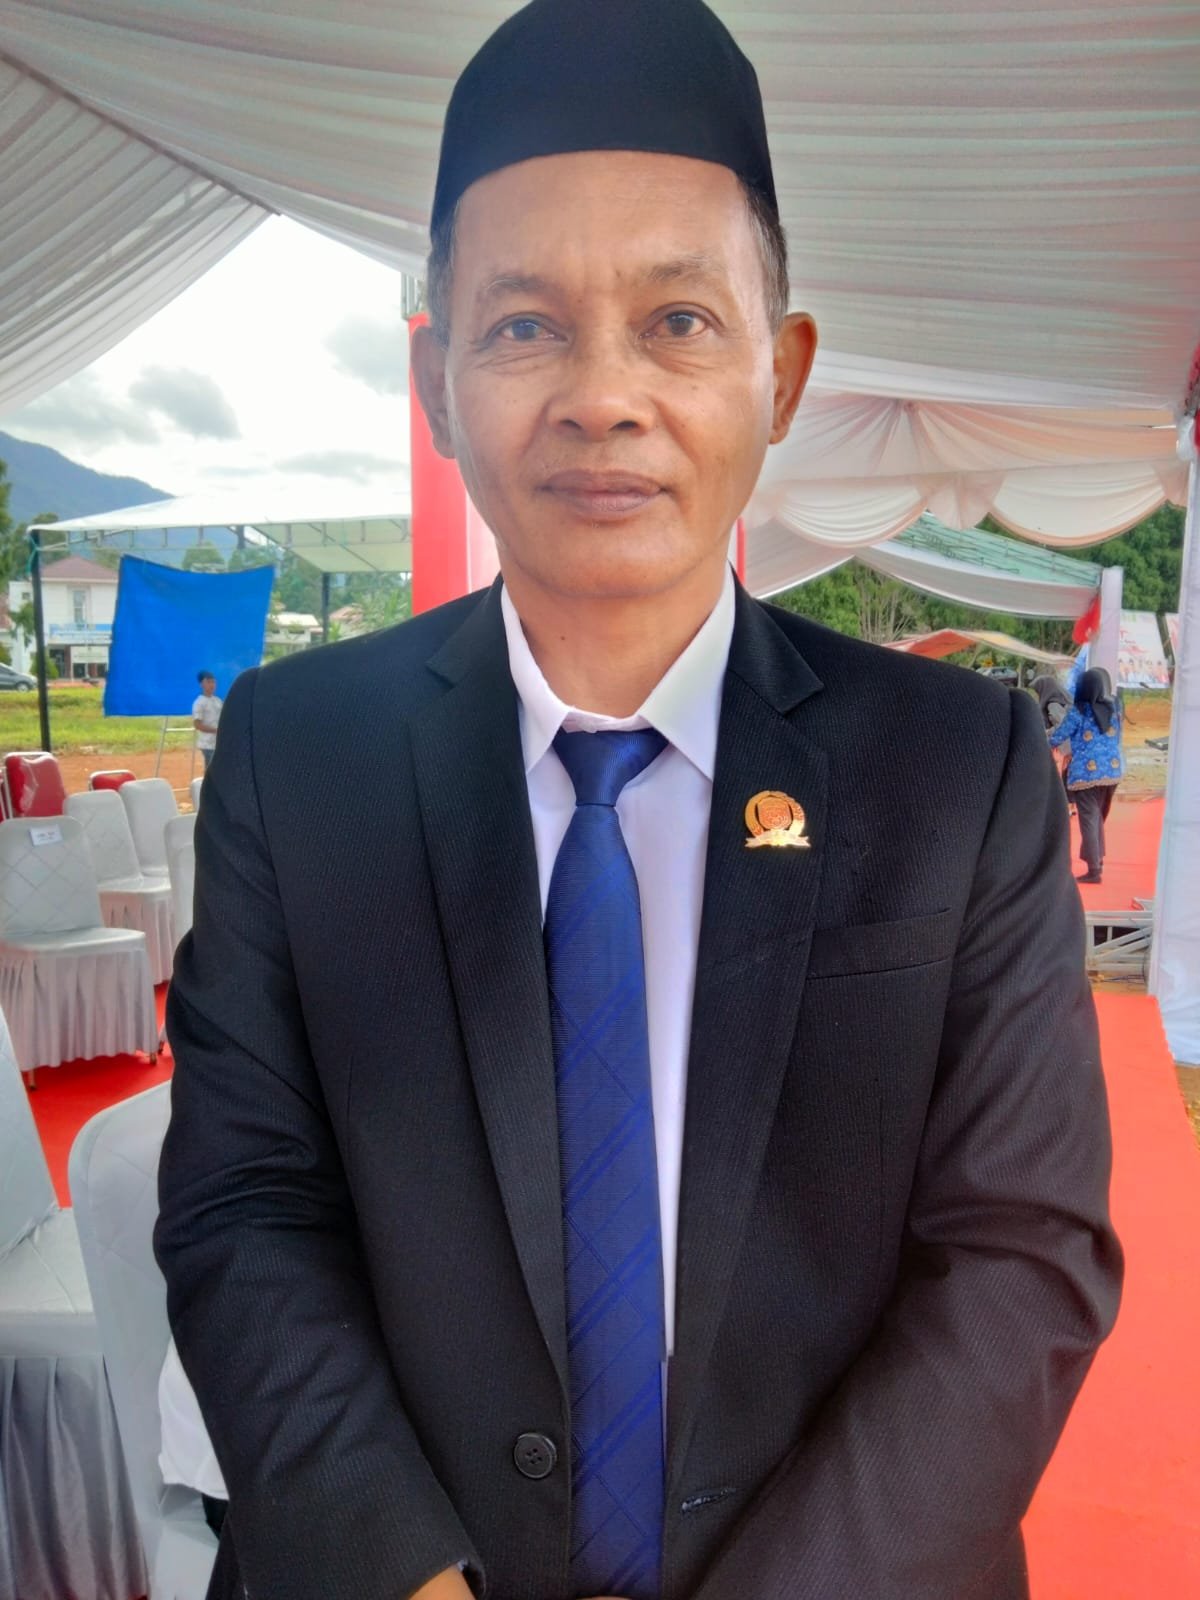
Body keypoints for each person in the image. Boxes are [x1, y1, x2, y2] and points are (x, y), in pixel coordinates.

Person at [155, 5, 1121, 1599]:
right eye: (524, 327)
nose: (603, 397)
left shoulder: (956, 769)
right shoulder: (295, 756)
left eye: (677, 320)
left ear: (780, 372)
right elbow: (246, 1209)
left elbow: (1022, 1253)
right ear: (436, 378)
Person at [1049, 667, 1124, 884]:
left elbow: (1058, 736)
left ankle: (1093, 870)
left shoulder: (1079, 712)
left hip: (1086, 774)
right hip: (1112, 771)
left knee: (1089, 819)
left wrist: (1038, 741)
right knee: (1097, 817)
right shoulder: (1113, 708)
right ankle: (1097, 860)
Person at [191, 672, 222, 772]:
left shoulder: (218, 701)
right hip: (207, 744)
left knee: (220, 769)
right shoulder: (199, 703)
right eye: (208, 682)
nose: (212, 685)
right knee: (211, 771)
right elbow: (197, 725)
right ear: (202, 684)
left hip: (219, 742)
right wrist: (216, 730)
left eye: (213, 682)